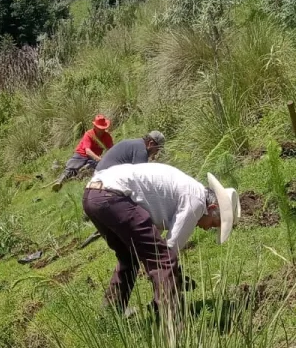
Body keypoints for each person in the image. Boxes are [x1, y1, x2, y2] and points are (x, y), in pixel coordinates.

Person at [82, 163, 240, 313]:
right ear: (212, 208)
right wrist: (173, 276)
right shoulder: (196, 201)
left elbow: (148, 238)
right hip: (112, 197)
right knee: (164, 260)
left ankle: (111, 313)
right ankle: (171, 322)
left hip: (93, 195)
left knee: (129, 257)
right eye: (213, 223)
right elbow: (168, 250)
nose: (207, 228)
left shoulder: (187, 188)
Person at [52, 115, 113, 190]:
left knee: (95, 168)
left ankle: (80, 176)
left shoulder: (107, 136)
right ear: (95, 127)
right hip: (81, 154)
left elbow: (111, 149)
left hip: (94, 157)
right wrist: (99, 159)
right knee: (72, 167)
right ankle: (60, 182)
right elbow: (87, 151)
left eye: (103, 128)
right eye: (100, 128)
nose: (101, 130)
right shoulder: (89, 134)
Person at [97, 130, 165, 172]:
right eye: (157, 149)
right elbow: (140, 176)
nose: (156, 152)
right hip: (104, 175)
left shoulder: (137, 144)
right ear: (151, 144)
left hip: (101, 171)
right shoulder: (141, 151)